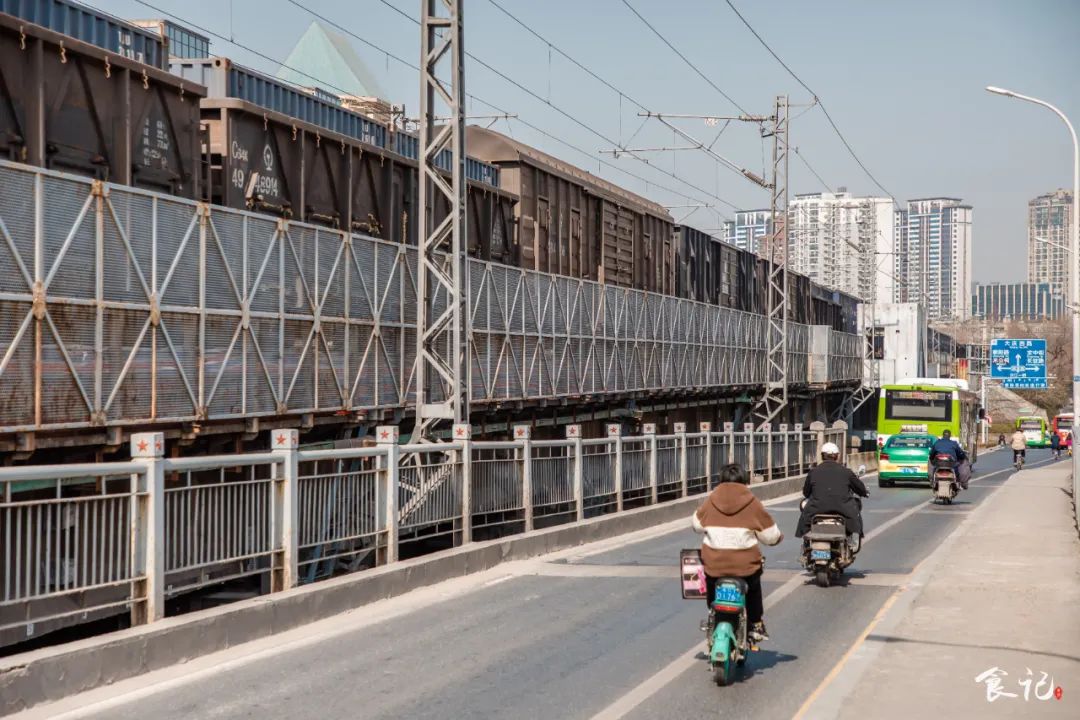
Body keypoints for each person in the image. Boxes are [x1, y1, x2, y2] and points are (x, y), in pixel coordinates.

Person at [692, 464, 782, 642]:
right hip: (745, 568)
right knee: (753, 587)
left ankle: (713, 612)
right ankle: (756, 623)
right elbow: (771, 536)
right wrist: (776, 539)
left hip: (714, 565)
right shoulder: (752, 502)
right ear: (745, 481)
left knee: (712, 584)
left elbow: (696, 525)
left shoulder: (711, 500)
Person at [796, 443, 870, 552]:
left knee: (804, 513)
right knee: (855, 508)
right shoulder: (846, 472)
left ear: (822, 456)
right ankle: (850, 541)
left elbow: (806, 493)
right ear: (837, 456)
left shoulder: (813, 472)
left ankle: (807, 545)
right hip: (842, 511)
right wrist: (864, 492)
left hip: (816, 510)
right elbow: (860, 489)